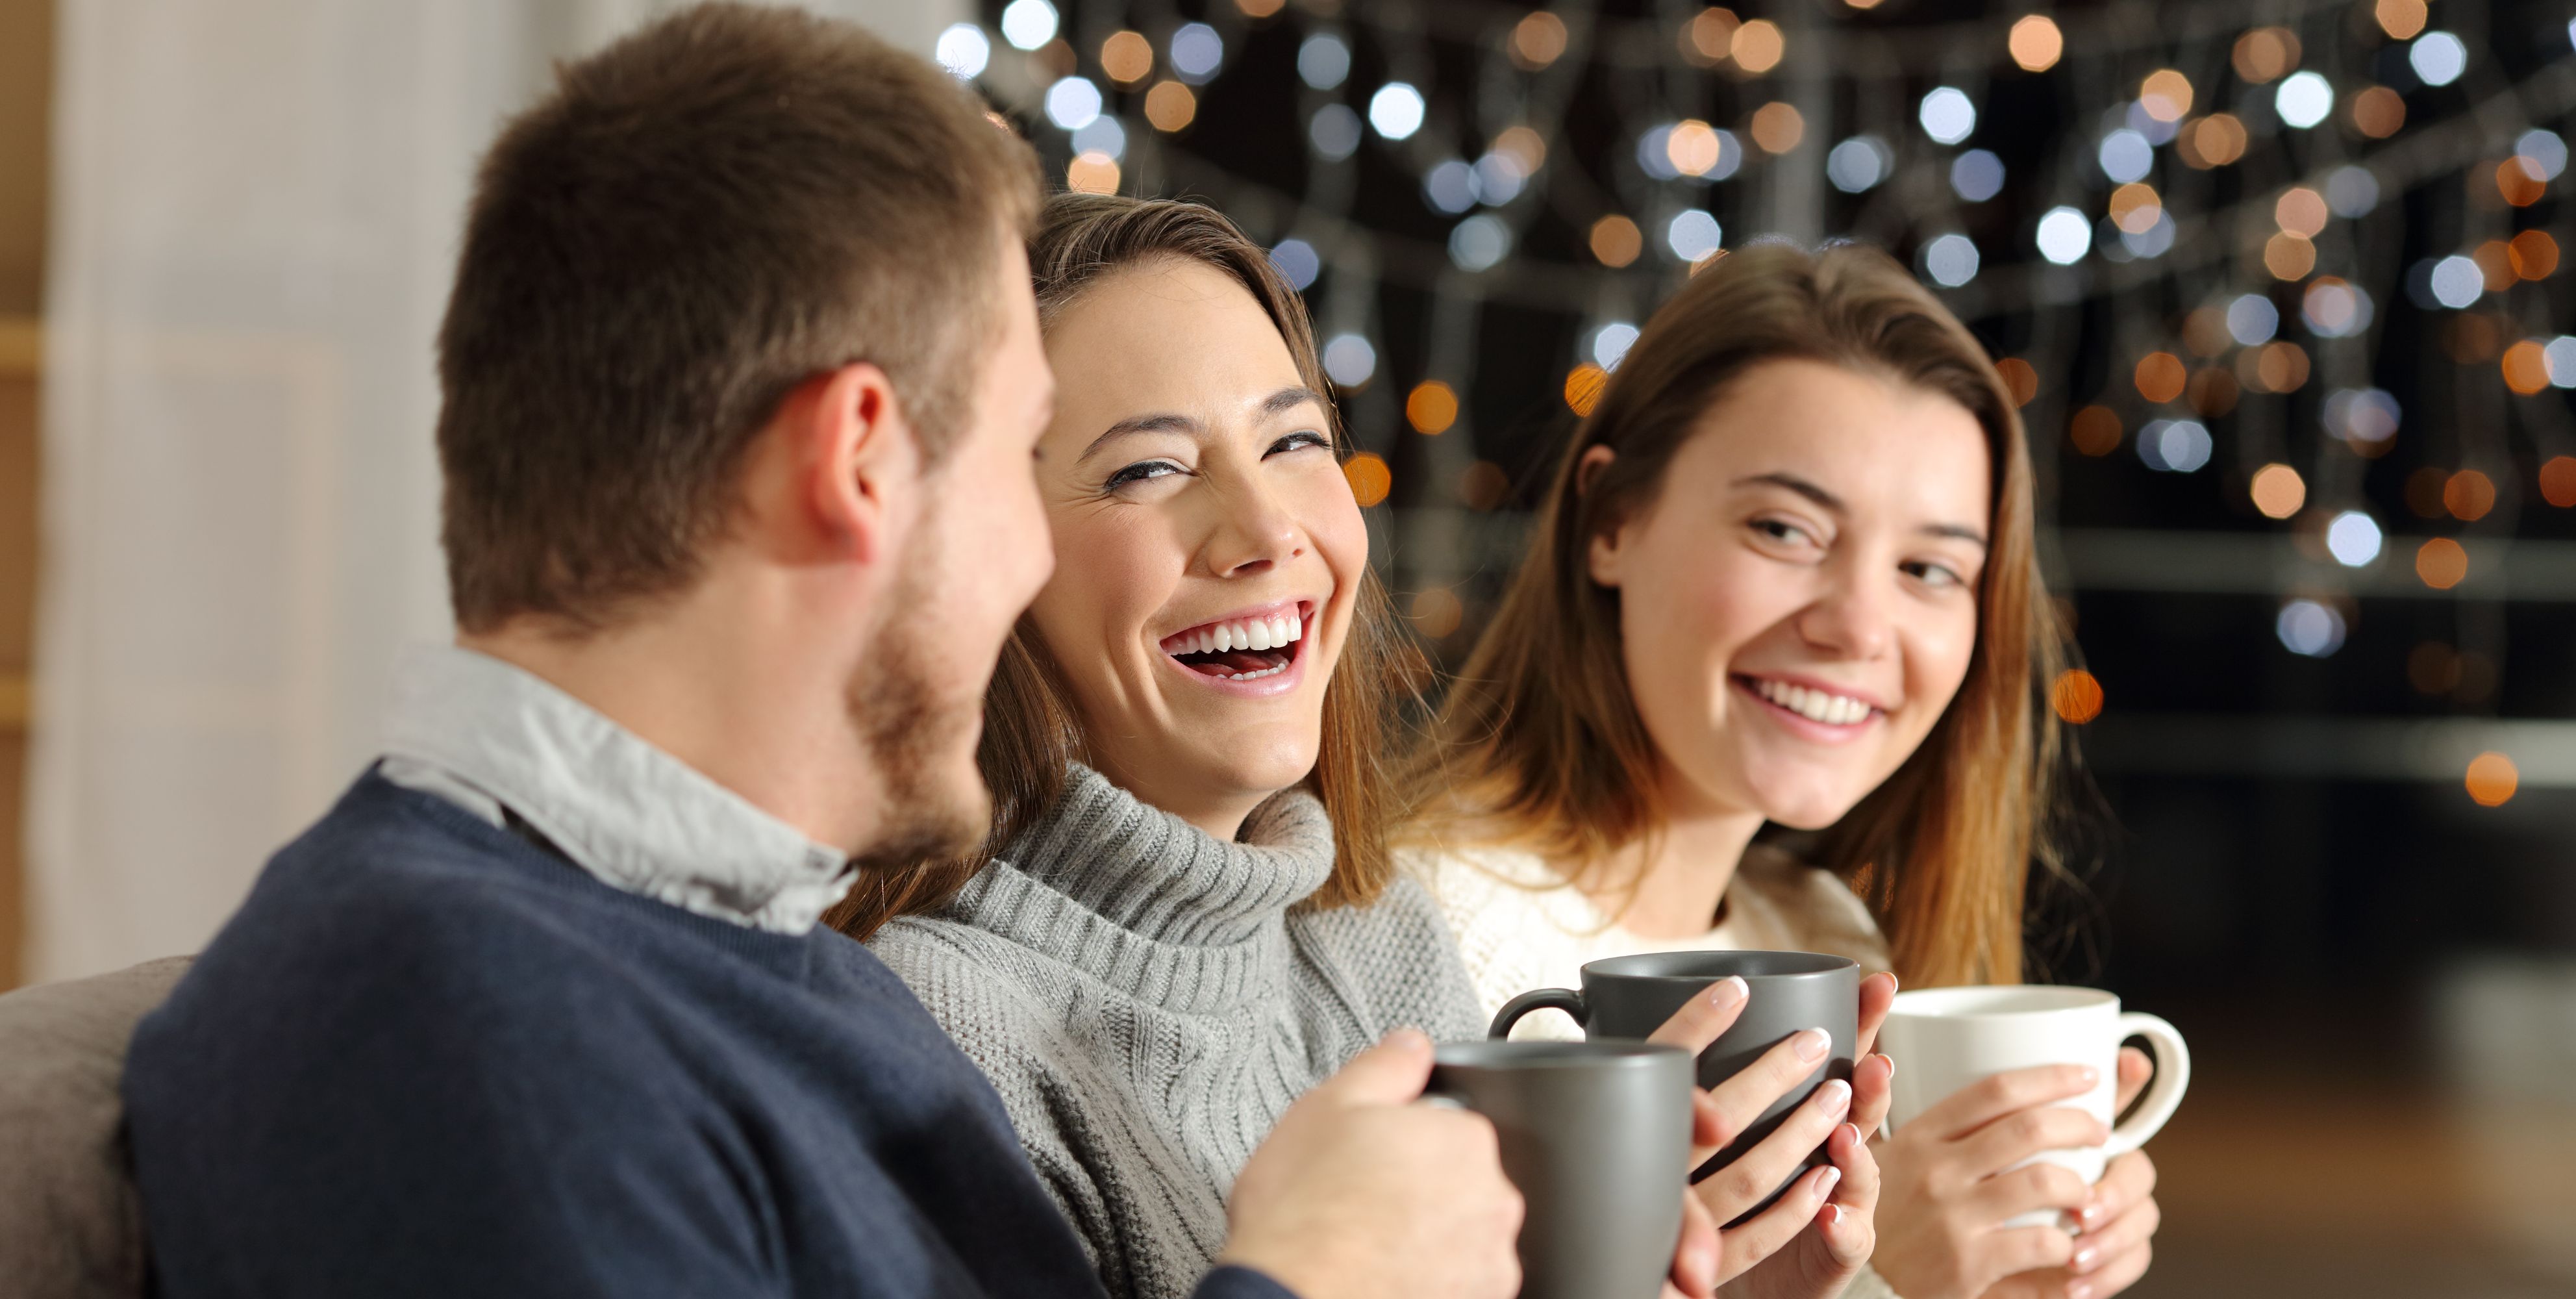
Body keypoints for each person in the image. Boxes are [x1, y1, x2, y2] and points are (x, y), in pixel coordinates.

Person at [119, 8, 1532, 1298]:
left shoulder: (791, 990)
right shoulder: (447, 1028)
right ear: (856, 463)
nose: (1024, 564)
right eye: (1007, 455)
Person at [845, 193, 1889, 1299]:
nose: (1268, 532)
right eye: (1146, 469)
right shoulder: (932, 1031)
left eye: (1295, 442)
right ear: (983, 558)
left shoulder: (1374, 939)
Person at [1402, 241, 2162, 1299]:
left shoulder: (1821, 936)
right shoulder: (1409, 942)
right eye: (1784, 529)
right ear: (1613, 521)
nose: (1858, 627)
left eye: (1930, 569)